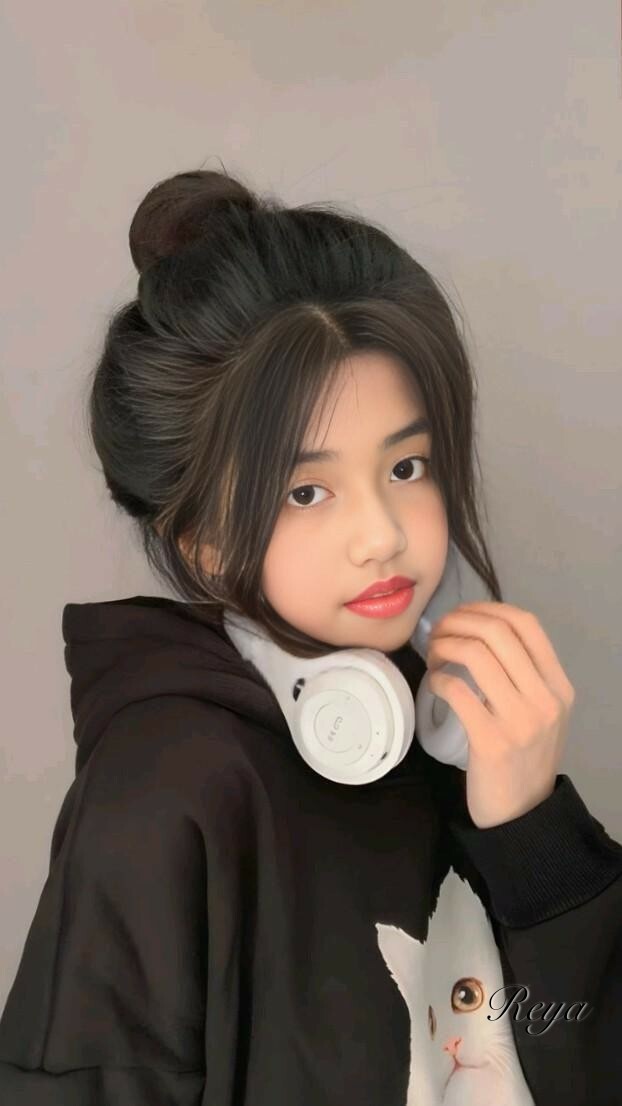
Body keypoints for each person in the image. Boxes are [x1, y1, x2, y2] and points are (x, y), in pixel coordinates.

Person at [0, 166, 620, 1106]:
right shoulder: (161, 800)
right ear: (201, 538)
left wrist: (534, 839)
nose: (382, 535)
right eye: (306, 490)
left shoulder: (453, 737)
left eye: (408, 466)